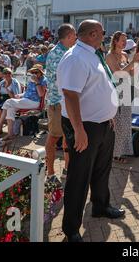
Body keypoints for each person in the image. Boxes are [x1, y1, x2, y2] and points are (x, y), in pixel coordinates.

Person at [57, 20, 125, 242]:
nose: (104, 36)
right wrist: (79, 130)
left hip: (101, 123)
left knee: (102, 170)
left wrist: (107, 116)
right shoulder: (76, 58)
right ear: (94, 33)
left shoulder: (92, 54)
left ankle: (100, 205)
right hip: (84, 126)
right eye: (103, 33)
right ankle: (71, 228)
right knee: (79, 177)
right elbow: (70, 95)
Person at [106, 31, 139, 164]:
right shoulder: (109, 56)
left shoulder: (125, 55)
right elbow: (117, 74)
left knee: (125, 124)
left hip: (126, 91)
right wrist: (133, 62)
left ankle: (120, 152)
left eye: (126, 40)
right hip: (115, 92)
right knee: (117, 124)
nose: (125, 43)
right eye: (122, 40)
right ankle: (114, 154)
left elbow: (131, 74)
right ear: (115, 41)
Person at [45, 24, 77, 184]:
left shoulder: (66, 52)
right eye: (75, 35)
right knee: (54, 137)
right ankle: (50, 173)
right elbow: (63, 80)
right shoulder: (57, 54)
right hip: (57, 103)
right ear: (69, 35)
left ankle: (67, 169)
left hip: (64, 102)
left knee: (66, 137)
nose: (77, 38)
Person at [0, 64, 47, 140]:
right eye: (33, 72)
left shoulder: (43, 80)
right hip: (26, 100)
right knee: (10, 109)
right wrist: (20, 95)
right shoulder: (31, 79)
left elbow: (41, 94)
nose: (34, 74)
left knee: (8, 101)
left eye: (36, 72)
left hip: (34, 102)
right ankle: (10, 134)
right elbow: (27, 92)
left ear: (41, 73)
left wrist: (37, 82)